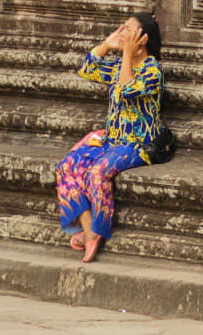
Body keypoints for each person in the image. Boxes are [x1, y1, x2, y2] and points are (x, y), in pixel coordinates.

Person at [55, 13, 163, 263]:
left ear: (142, 39)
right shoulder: (117, 66)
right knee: (68, 165)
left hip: (138, 145)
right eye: (121, 29)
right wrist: (106, 45)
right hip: (112, 140)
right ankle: (88, 226)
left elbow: (126, 90)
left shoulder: (152, 71)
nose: (121, 33)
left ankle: (96, 232)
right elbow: (86, 69)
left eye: (128, 30)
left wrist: (127, 55)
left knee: (97, 171)